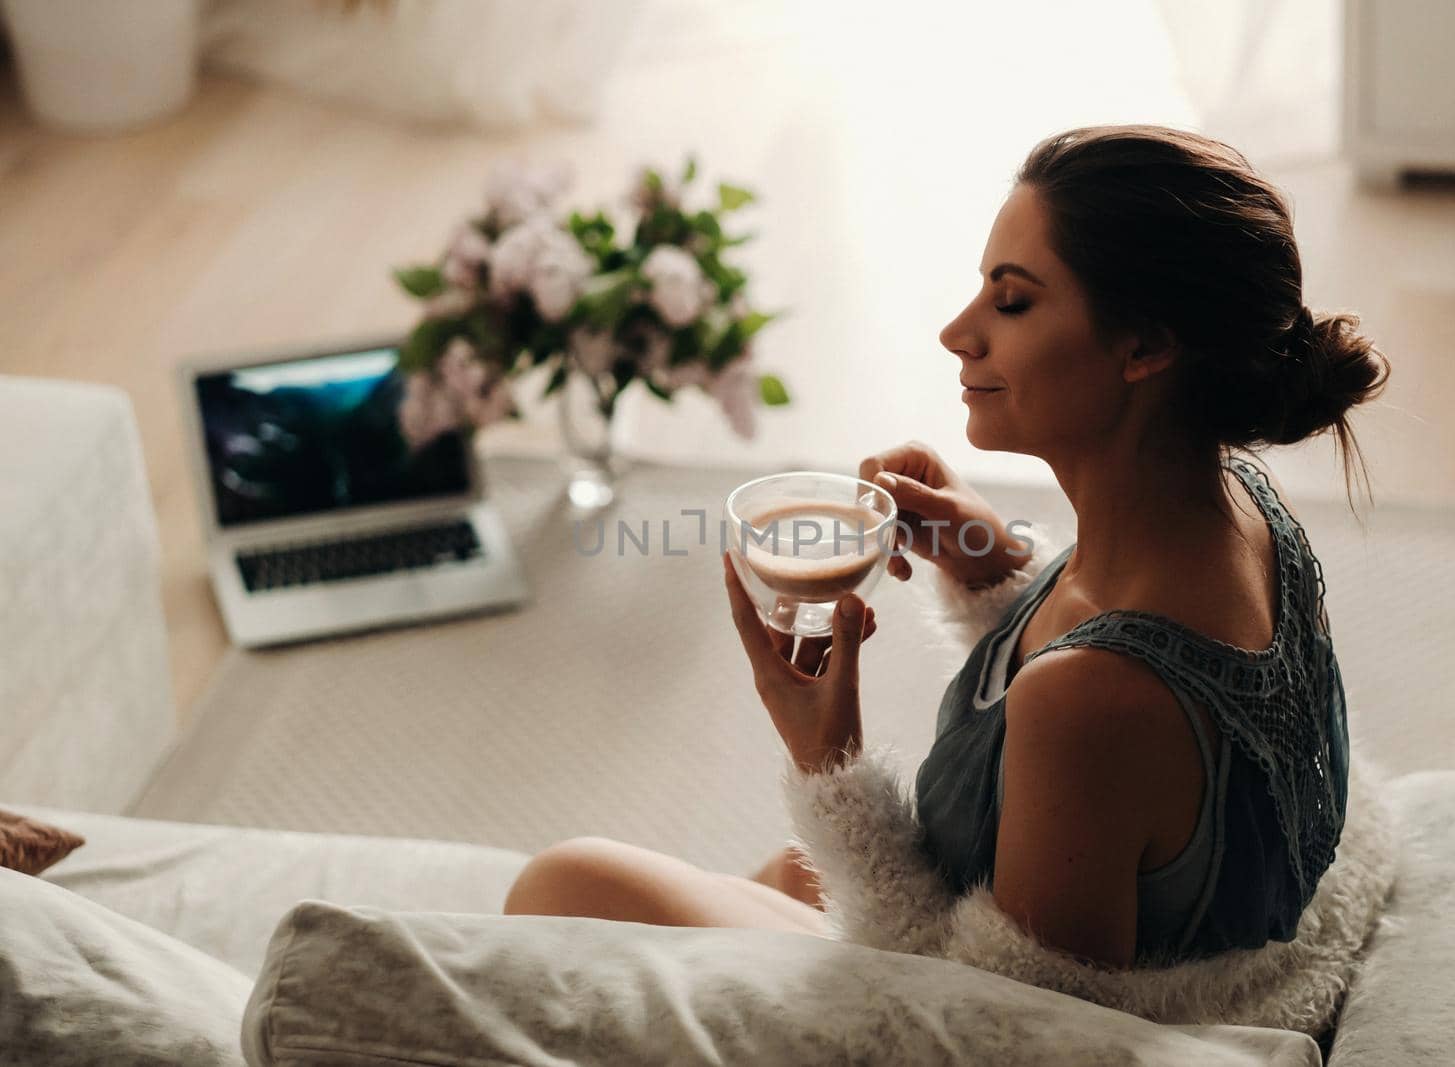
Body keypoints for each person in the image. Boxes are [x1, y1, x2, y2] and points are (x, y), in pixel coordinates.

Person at [502, 125, 1397, 1040]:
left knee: (567, 882)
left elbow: (989, 1031)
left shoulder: (1085, 701)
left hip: (985, 1025)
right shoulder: (1247, 509)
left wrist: (830, 764)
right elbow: (1162, 749)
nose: (956, 331)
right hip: (1189, 943)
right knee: (777, 875)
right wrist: (991, 567)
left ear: (1144, 346)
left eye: (1010, 303)